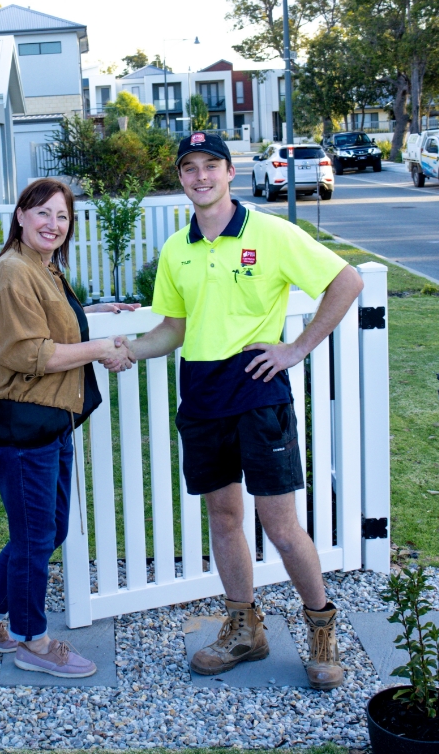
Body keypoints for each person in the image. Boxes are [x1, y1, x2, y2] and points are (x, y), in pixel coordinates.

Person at [120, 132, 363, 690]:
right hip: (203, 397)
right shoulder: (176, 250)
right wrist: (128, 349)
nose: (200, 176)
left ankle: (321, 630)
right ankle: (244, 630)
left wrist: (295, 348)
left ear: (231, 172)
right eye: (189, 168)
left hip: (258, 394)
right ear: (180, 178)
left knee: (279, 526)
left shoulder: (271, 233)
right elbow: (173, 330)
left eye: (211, 166)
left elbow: (346, 281)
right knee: (225, 518)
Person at [0, 178, 135, 678]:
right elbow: (29, 351)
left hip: (49, 421)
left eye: (63, 217)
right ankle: (33, 641)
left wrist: (94, 315)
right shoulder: (12, 272)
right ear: (20, 216)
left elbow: (51, 324)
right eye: (43, 214)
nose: (53, 225)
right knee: (35, 538)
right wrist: (101, 349)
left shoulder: (43, 268)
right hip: (21, 426)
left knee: (46, 528)